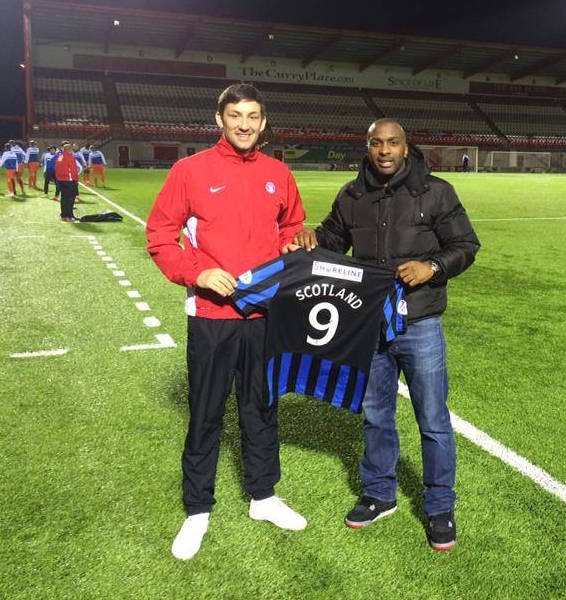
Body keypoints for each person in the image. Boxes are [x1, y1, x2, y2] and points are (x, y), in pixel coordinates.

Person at [293, 119, 480, 551]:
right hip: (369, 324)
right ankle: (379, 494)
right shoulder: (352, 194)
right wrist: (311, 238)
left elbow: (466, 245)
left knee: (433, 420)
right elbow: (332, 240)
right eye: (377, 143)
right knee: (376, 415)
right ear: (368, 147)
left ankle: (439, 506)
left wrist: (431, 267)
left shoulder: (437, 191)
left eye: (392, 143)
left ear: (406, 146)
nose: (384, 150)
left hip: (420, 324)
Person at [146, 83, 308, 561]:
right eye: (235, 114)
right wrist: (198, 271)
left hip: (265, 315)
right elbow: (160, 236)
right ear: (219, 118)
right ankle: (197, 509)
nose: (244, 124)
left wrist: (292, 242)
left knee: (262, 406)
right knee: (207, 412)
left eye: (253, 116)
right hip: (212, 317)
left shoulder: (279, 172)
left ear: (263, 121)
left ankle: (263, 497)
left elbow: (292, 226)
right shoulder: (189, 170)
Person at [54, 142, 81, 222]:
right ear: (69, 150)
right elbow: (74, 169)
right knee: (70, 199)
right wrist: (75, 179)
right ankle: (69, 216)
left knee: (63, 198)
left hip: (60, 180)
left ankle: (65, 215)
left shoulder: (60, 157)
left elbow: (57, 168)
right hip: (69, 180)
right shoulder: (70, 157)